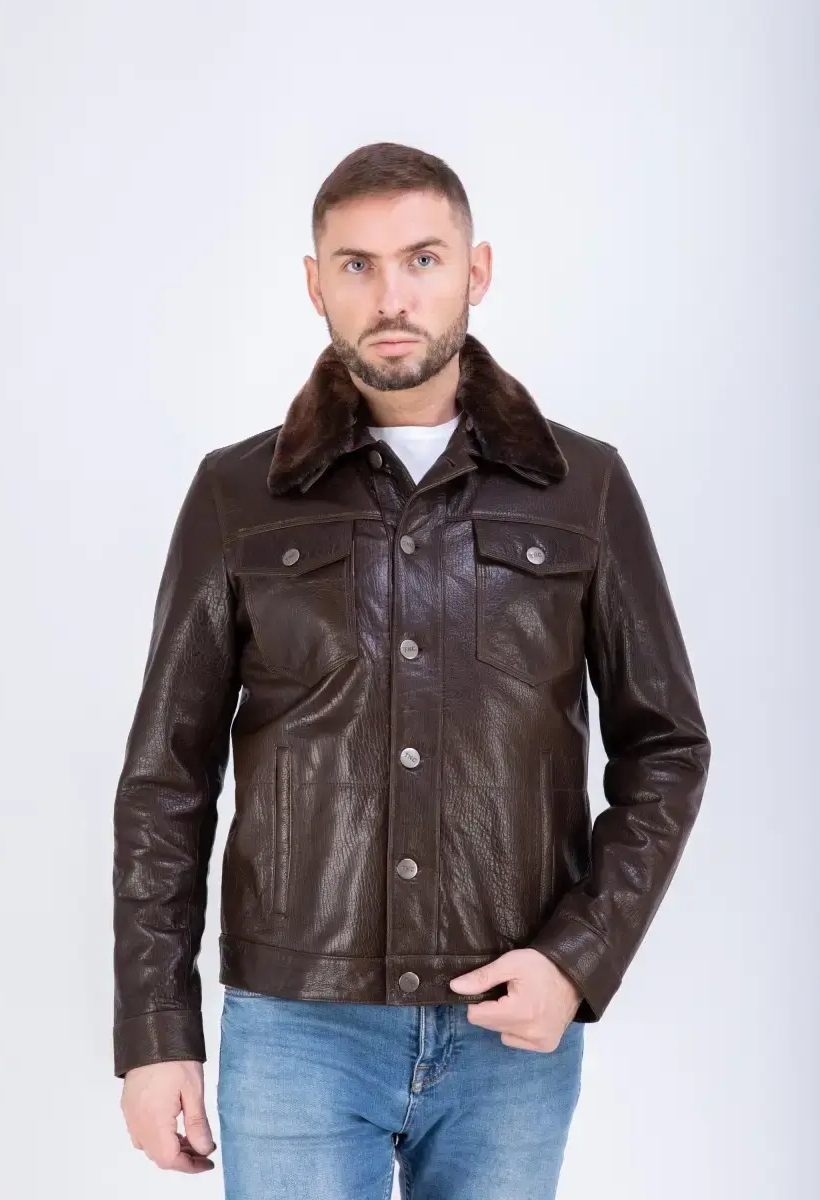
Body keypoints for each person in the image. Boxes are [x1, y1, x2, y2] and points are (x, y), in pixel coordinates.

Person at [113, 141, 711, 1198]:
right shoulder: (237, 495)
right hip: (296, 1028)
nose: (392, 297)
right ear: (316, 285)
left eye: (422, 259)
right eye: (357, 265)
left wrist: (579, 957)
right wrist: (155, 1032)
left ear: (476, 271)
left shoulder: (584, 488)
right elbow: (168, 777)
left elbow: (666, 748)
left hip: (510, 1024)